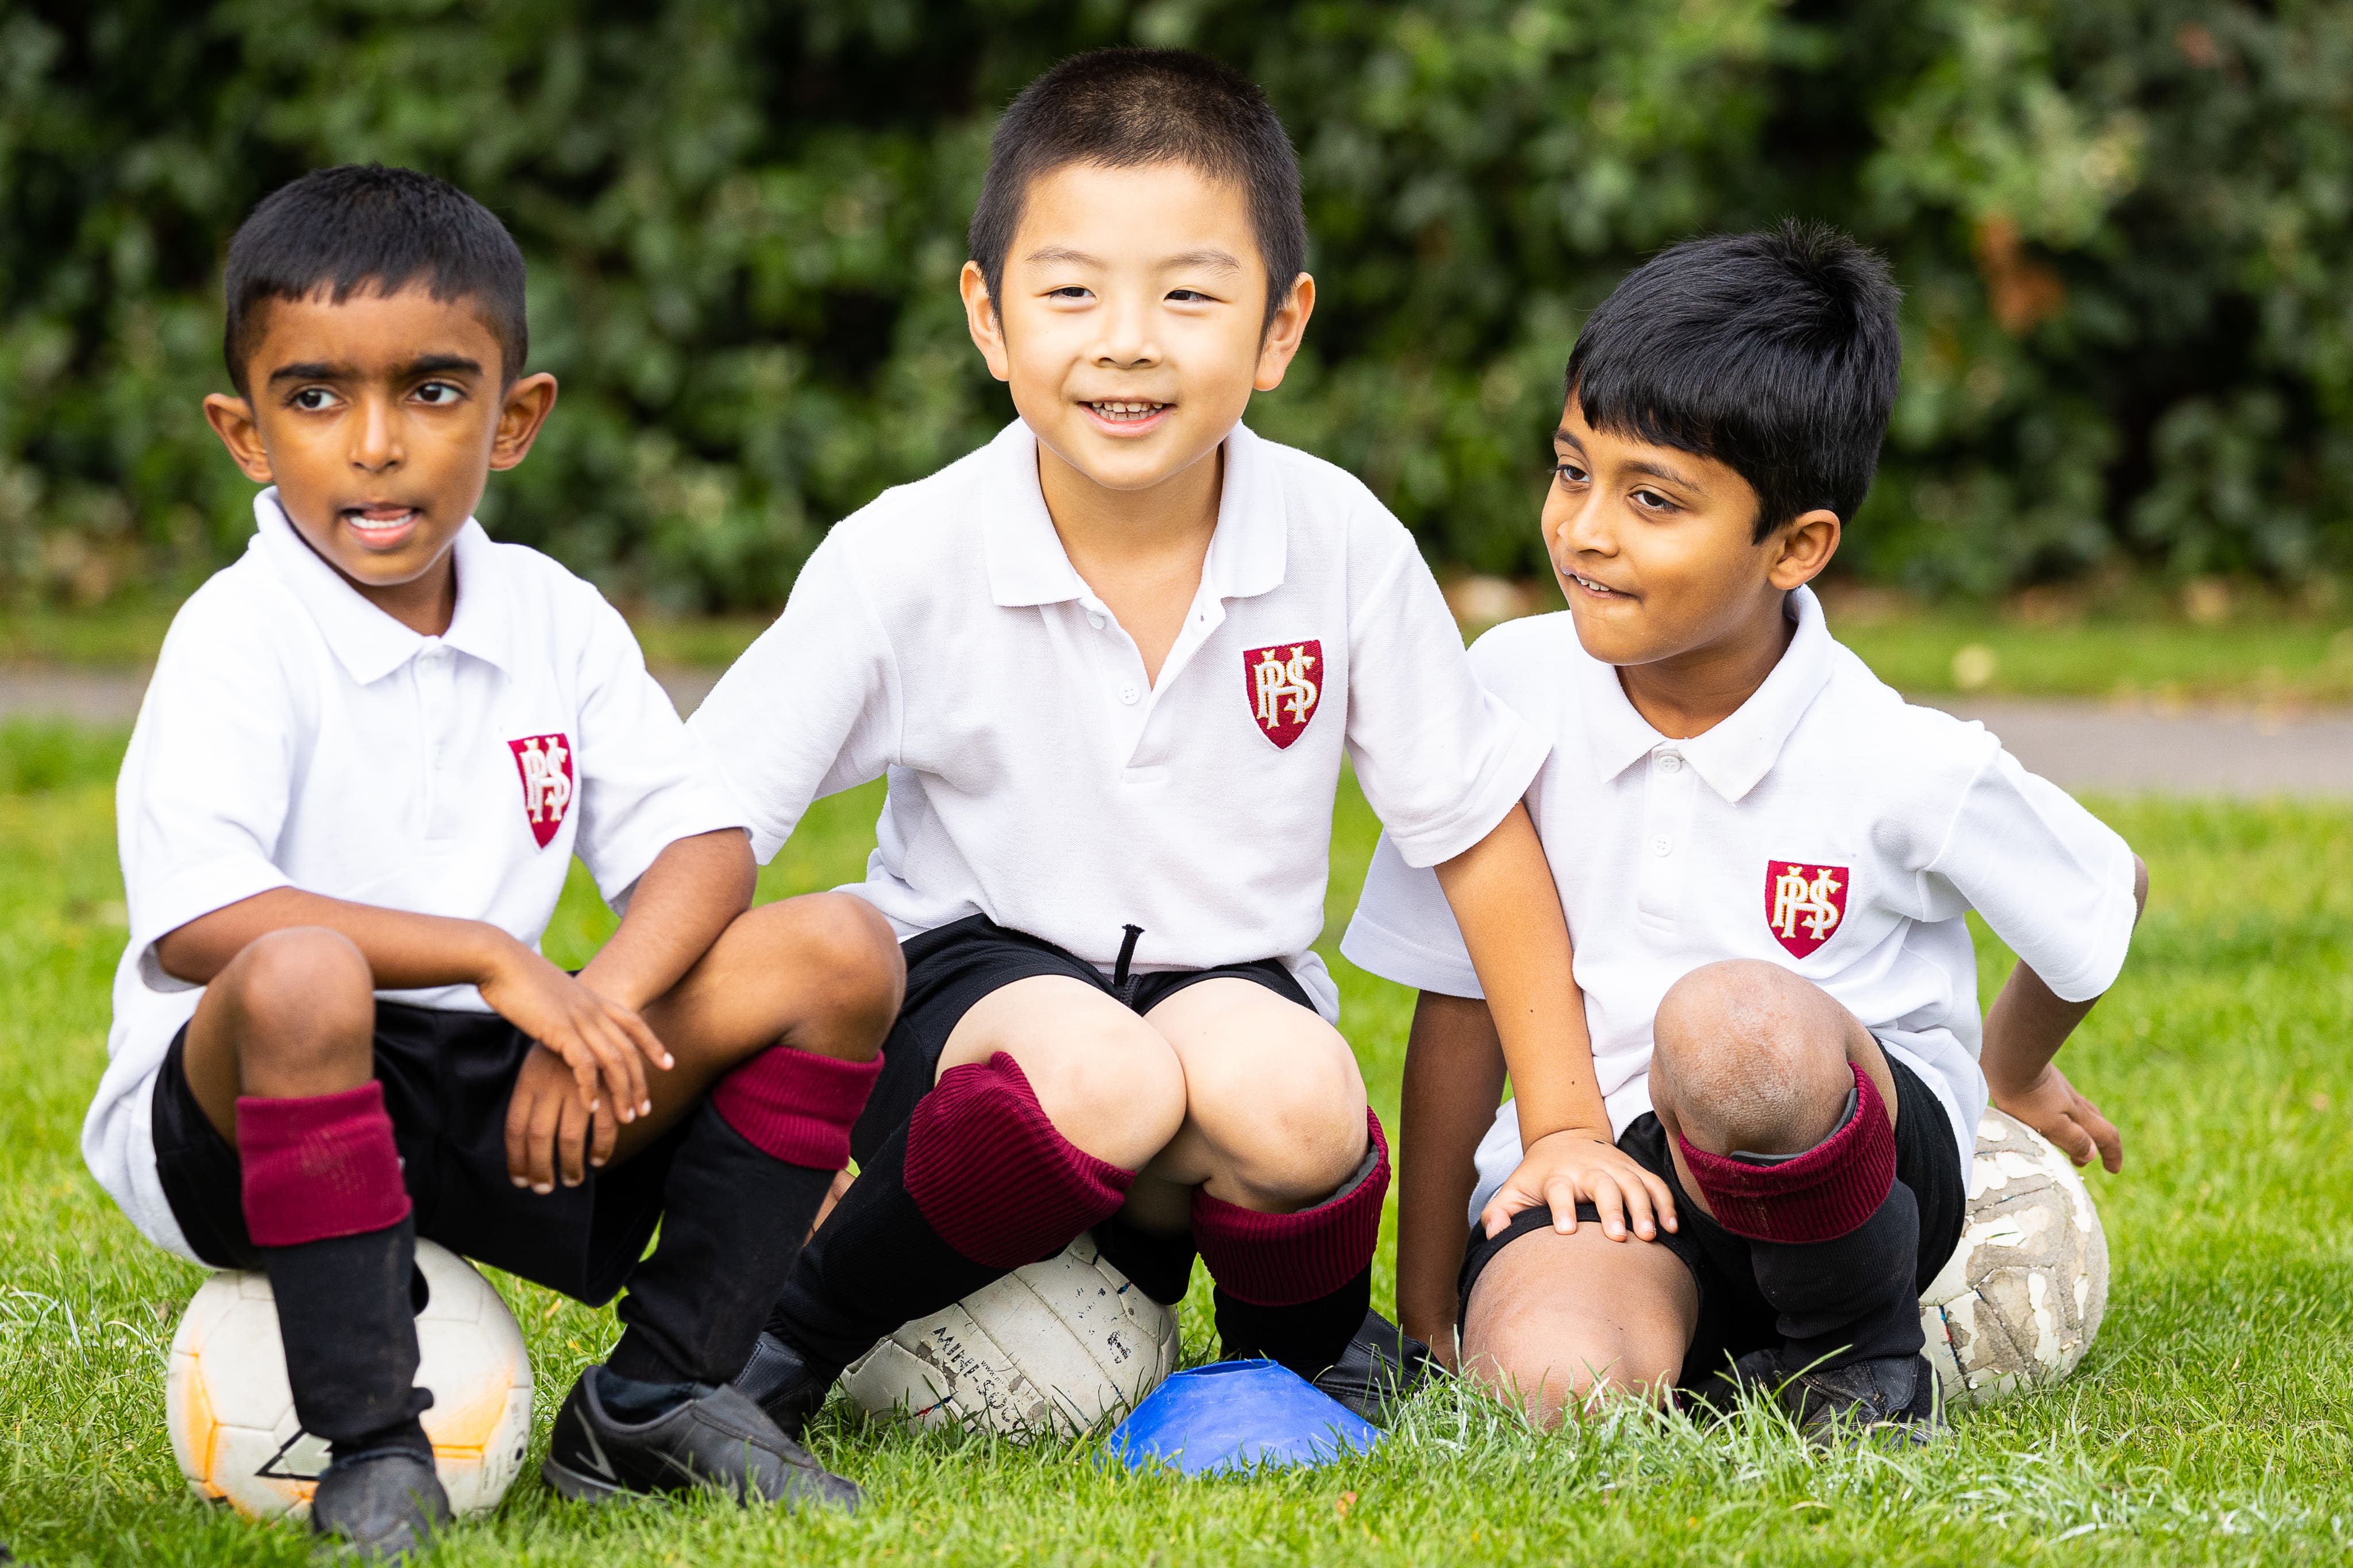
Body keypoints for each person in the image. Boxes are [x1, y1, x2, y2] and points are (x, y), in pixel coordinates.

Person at [691, 47, 1651, 1432]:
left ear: (1278, 329)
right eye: (1070, 291)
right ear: (988, 318)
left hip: (1215, 1004)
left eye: (1189, 295)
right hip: (973, 1033)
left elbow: (1475, 835)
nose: (1127, 339)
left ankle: (1297, 1354)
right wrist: (754, 1131)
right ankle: (773, 1350)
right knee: (1095, 1063)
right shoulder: (902, 556)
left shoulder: (1335, 543)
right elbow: (709, 820)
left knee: (1297, 1086)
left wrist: (1564, 1122)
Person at [79, 165, 907, 1559]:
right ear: (244, 432)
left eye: (435, 392)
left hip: (496, 1085)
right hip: (247, 1105)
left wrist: (610, 1010)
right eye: (316, 398)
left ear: (516, 418)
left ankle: (658, 1396)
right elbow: (204, 921)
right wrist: (495, 960)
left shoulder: (552, 617)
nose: (377, 444)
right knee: (302, 975)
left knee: (841, 951)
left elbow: (702, 846)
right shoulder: (240, 634)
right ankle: (371, 1444)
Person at [1343, 223, 2147, 1439]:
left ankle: (1854, 1353)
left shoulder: (1891, 752)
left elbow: (2103, 890)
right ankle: (1708, 1347)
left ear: (1794, 546)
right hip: (1600, 1176)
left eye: (1651, 498)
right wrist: (1419, 1312)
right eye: (1571, 471)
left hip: (1840, 1154)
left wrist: (2003, 1073)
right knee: (1552, 1392)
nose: (1583, 531)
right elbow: (1458, 1001)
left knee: (1730, 1029)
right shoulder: (1501, 686)